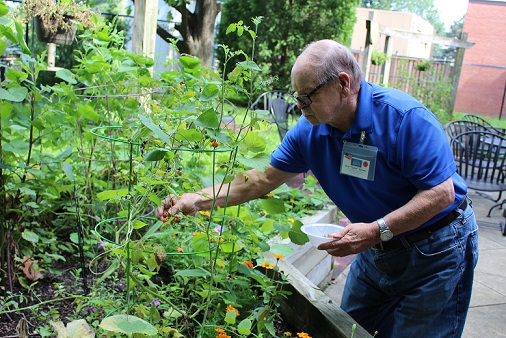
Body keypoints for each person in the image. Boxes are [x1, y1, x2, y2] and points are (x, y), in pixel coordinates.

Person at [156, 39, 478, 337]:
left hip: (437, 247)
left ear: (342, 84)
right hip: (376, 246)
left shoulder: (404, 119)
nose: (300, 106)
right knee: (345, 329)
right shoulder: (308, 133)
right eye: (296, 97)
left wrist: (377, 230)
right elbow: (262, 181)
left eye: (308, 95)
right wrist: (197, 199)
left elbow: (440, 194)